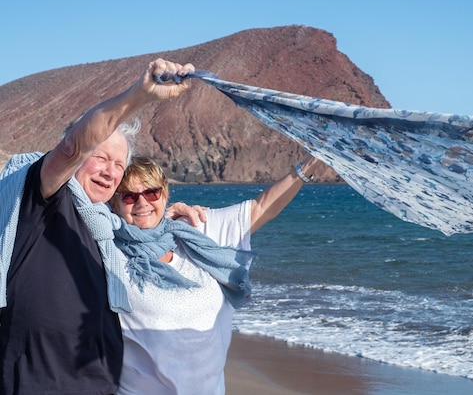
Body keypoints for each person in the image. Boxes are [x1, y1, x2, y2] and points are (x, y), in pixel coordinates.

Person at [0, 58, 196, 394]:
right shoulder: (44, 199)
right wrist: (139, 95)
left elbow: (142, 223)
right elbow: (72, 146)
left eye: (119, 164)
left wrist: (169, 215)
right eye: (100, 157)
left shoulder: (106, 227)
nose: (110, 171)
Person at [108, 155, 323, 395]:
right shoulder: (106, 253)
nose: (141, 203)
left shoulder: (195, 231)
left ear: (165, 193)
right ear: (114, 204)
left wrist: (314, 161)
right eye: (129, 196)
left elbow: (262, 208)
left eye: (151, 193)